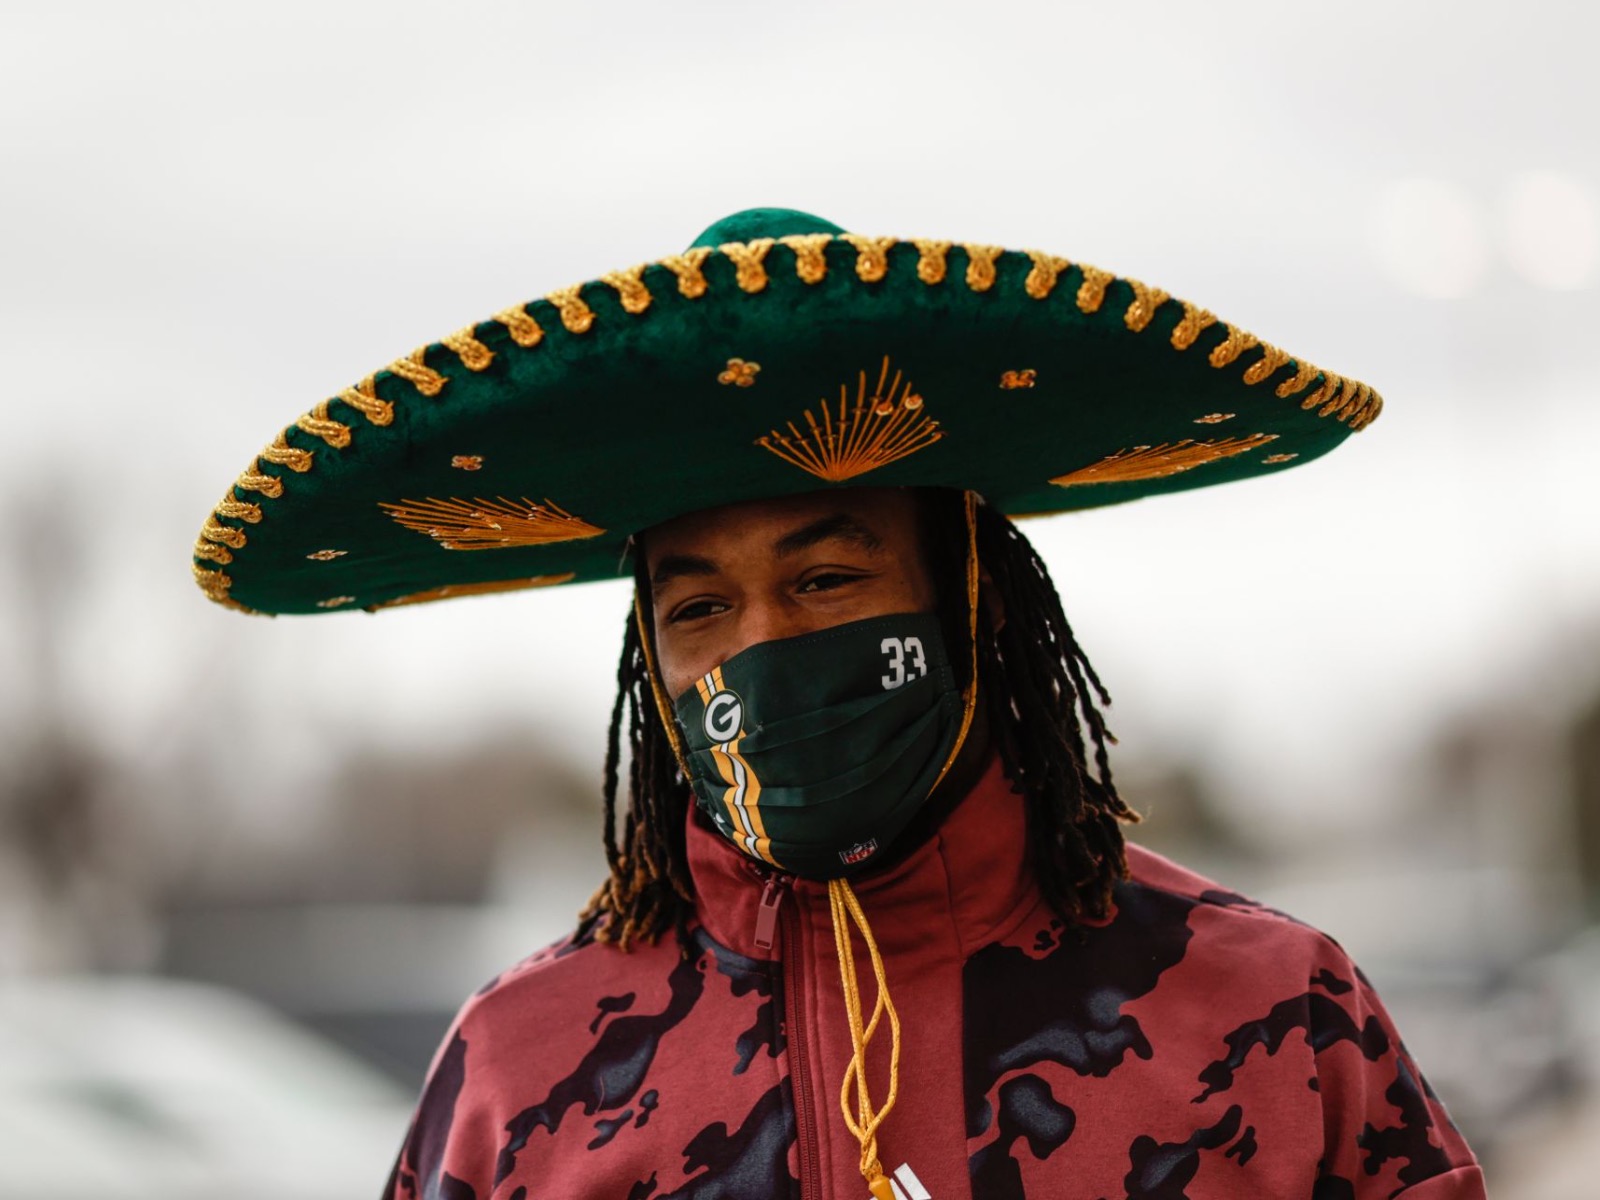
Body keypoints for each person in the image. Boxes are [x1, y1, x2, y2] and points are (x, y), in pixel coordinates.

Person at [194, 208, 1486, 1198]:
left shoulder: (1272, 1006)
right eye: (699, 609)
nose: (763, 649)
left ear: (969, 603)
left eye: (824, 577)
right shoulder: (512, 1072)